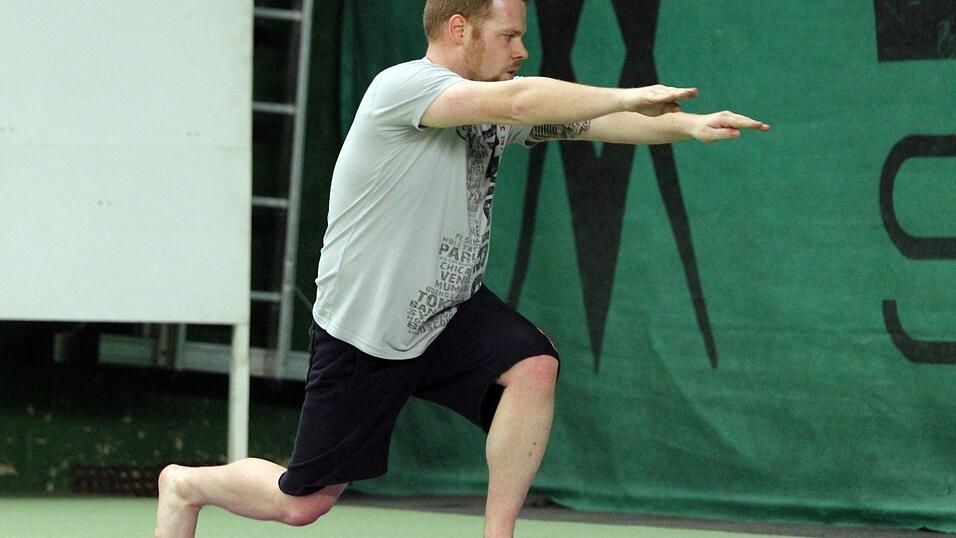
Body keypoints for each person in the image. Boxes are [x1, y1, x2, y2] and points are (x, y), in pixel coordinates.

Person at [155, 0, 769, 536]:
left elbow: (591, 122)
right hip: (367, 329)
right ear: (460, 29)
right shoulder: (402, 89)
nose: (521, 49)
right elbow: (526, 98)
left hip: (449, 308)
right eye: (508, 36)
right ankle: (186, 485)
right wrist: (629, 89)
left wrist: (688, 125)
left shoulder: (496, 105)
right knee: (303, 504)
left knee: (533, 366)